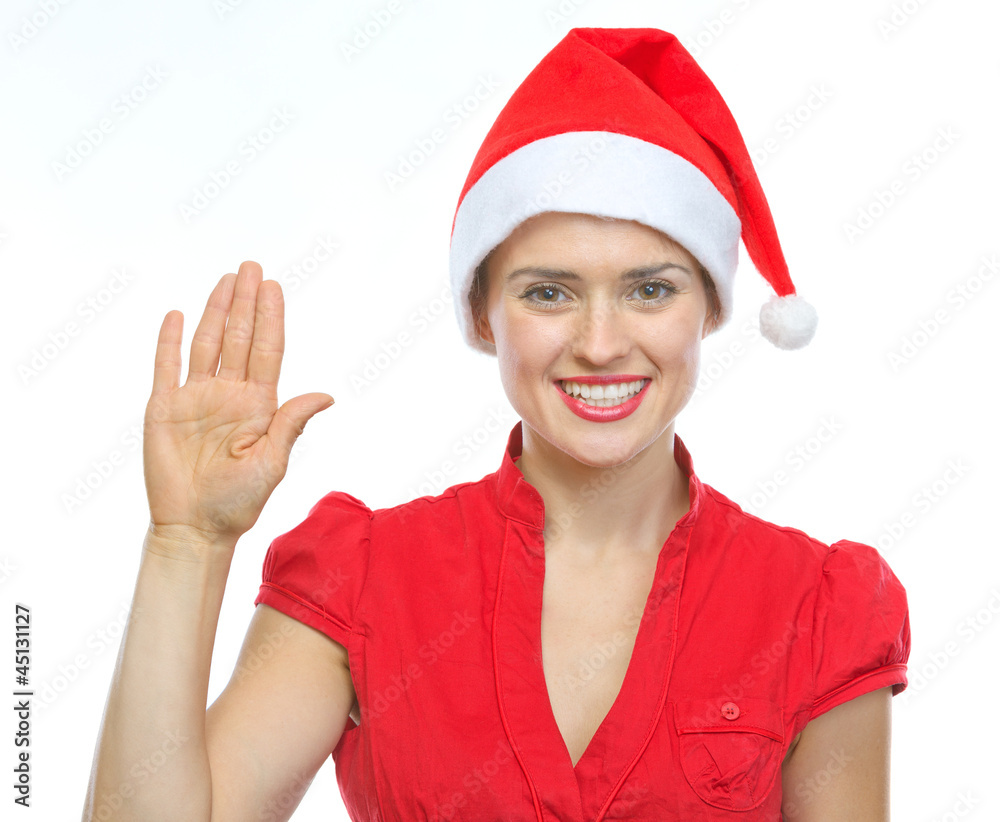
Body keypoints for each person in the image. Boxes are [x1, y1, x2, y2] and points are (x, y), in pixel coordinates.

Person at [82, 27, 910, 821]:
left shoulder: (818, 608)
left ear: (712, 307)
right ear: (481, 314)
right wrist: (186, 544)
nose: (599, 343)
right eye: (548, 292)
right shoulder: (363, 579)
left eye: (650, 289)